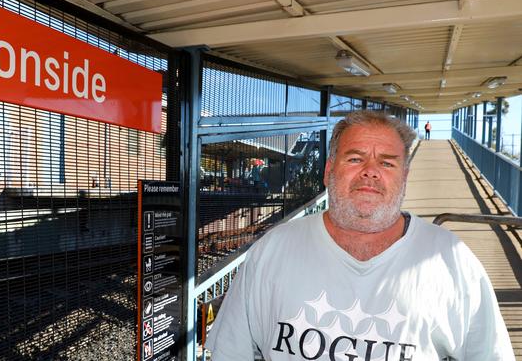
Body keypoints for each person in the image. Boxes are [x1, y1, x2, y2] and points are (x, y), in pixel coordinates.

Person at [205, 111, 514, 360]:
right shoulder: (274, 248)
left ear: (404, 179)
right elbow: (230, 351)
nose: (370, 171)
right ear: (328, 171)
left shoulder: (451, 258)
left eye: (387, 163)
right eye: (355, 158)